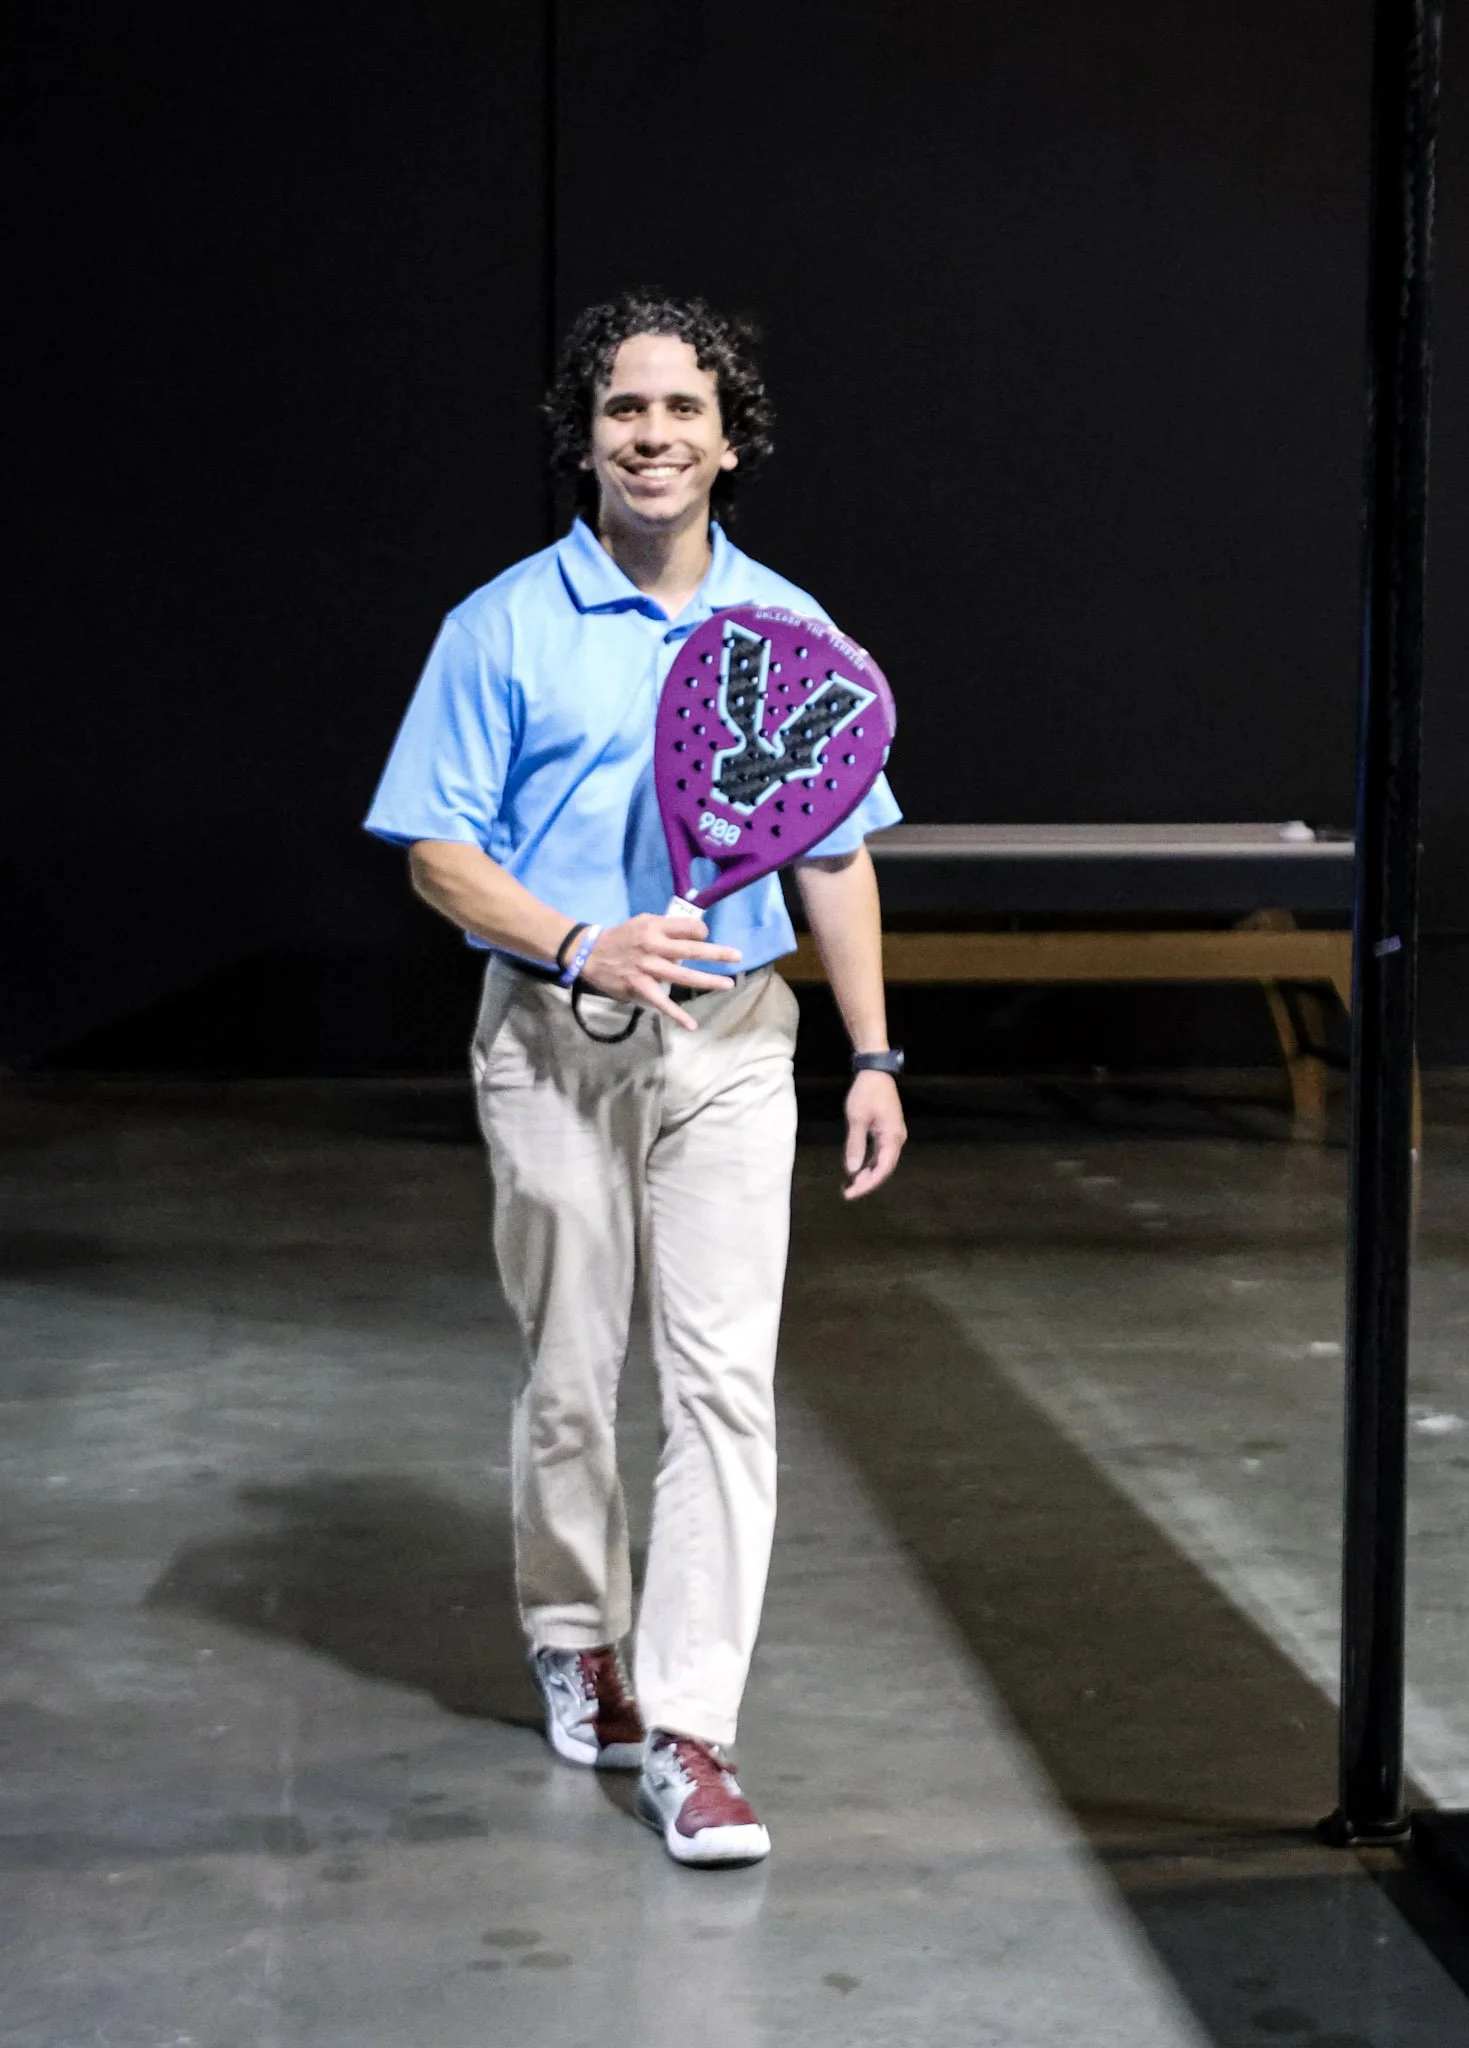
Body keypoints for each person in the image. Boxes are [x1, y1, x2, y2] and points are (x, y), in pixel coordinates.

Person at [364, 291, 906, 1867]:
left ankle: (691, 1733)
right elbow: (439, 859)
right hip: (549, 1044)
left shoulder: (795, 634)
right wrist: (579, 940)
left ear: (730, 440)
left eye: (682, 410)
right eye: (623, 411)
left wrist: (871, 1051)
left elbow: (837, 860)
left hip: (733, 1047)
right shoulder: (501, 627)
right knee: (573, 1370)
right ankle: (570, 1627)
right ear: (584, 439)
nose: (652, 436)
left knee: (727, 1386)